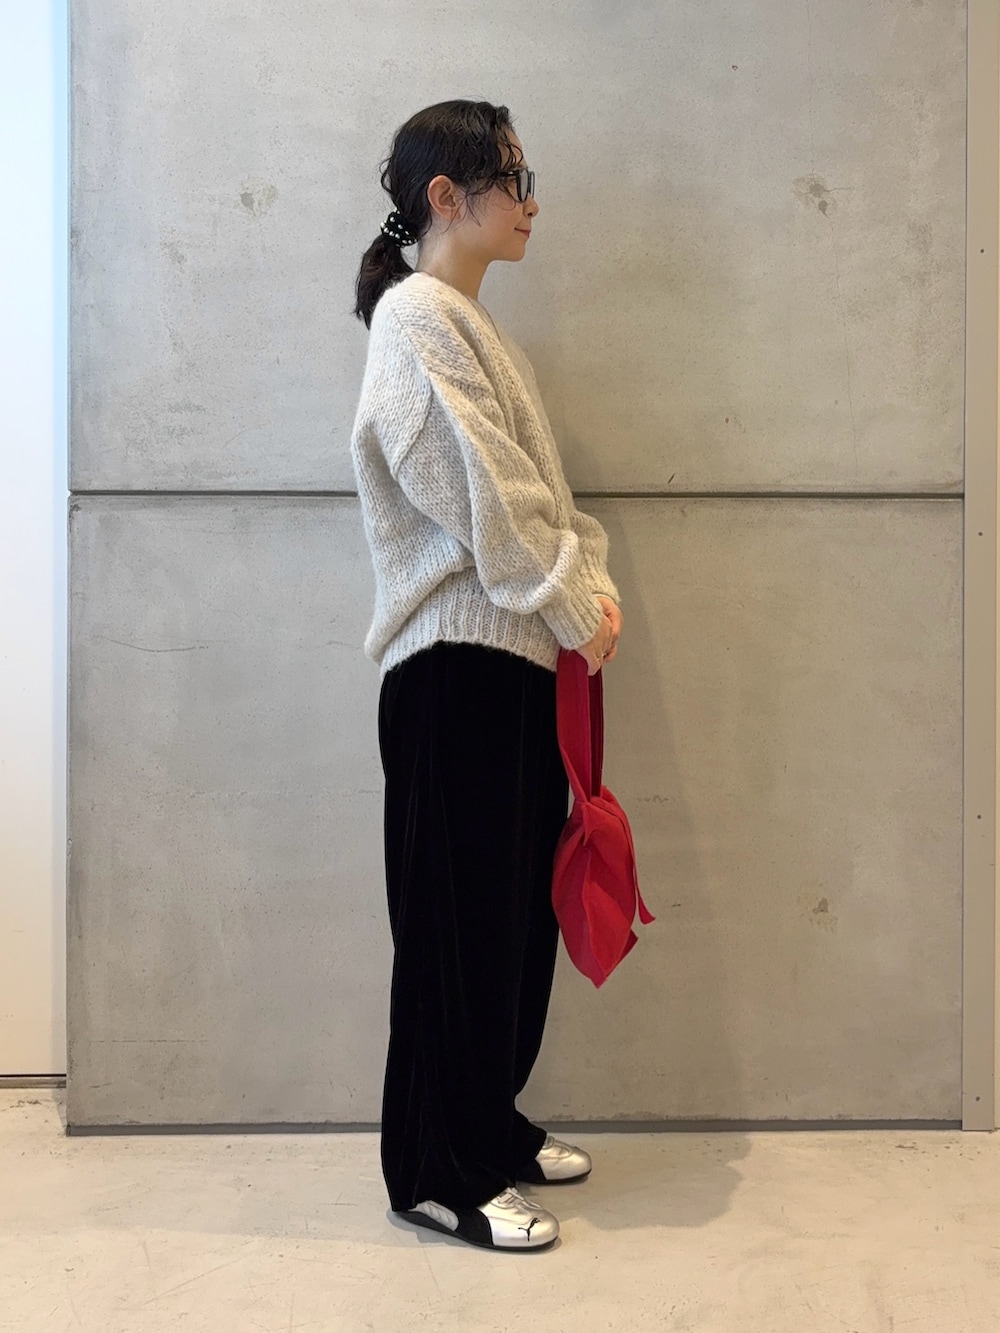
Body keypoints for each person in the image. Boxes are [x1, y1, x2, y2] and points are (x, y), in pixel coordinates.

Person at [350, 99, 623, 1252]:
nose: (531, 201)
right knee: (454, 930)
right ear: (444, 196)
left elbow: (541, 502)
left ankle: (486, 1127)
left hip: (509, 659)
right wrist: (573, 596)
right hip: (451, 665)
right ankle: (433, 1170)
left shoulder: (472, 324)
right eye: (512, 179)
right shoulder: (417, 315)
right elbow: (481, 496)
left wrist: (586, 591)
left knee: (508, 925)